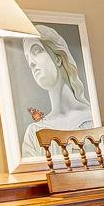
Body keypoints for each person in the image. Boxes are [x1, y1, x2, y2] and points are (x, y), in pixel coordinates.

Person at [18, 23, 95, 159]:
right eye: (28, 58)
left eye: (36, 51)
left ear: (58, 58)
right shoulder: (34, 133)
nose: (31, 62)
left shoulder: (94, 120)